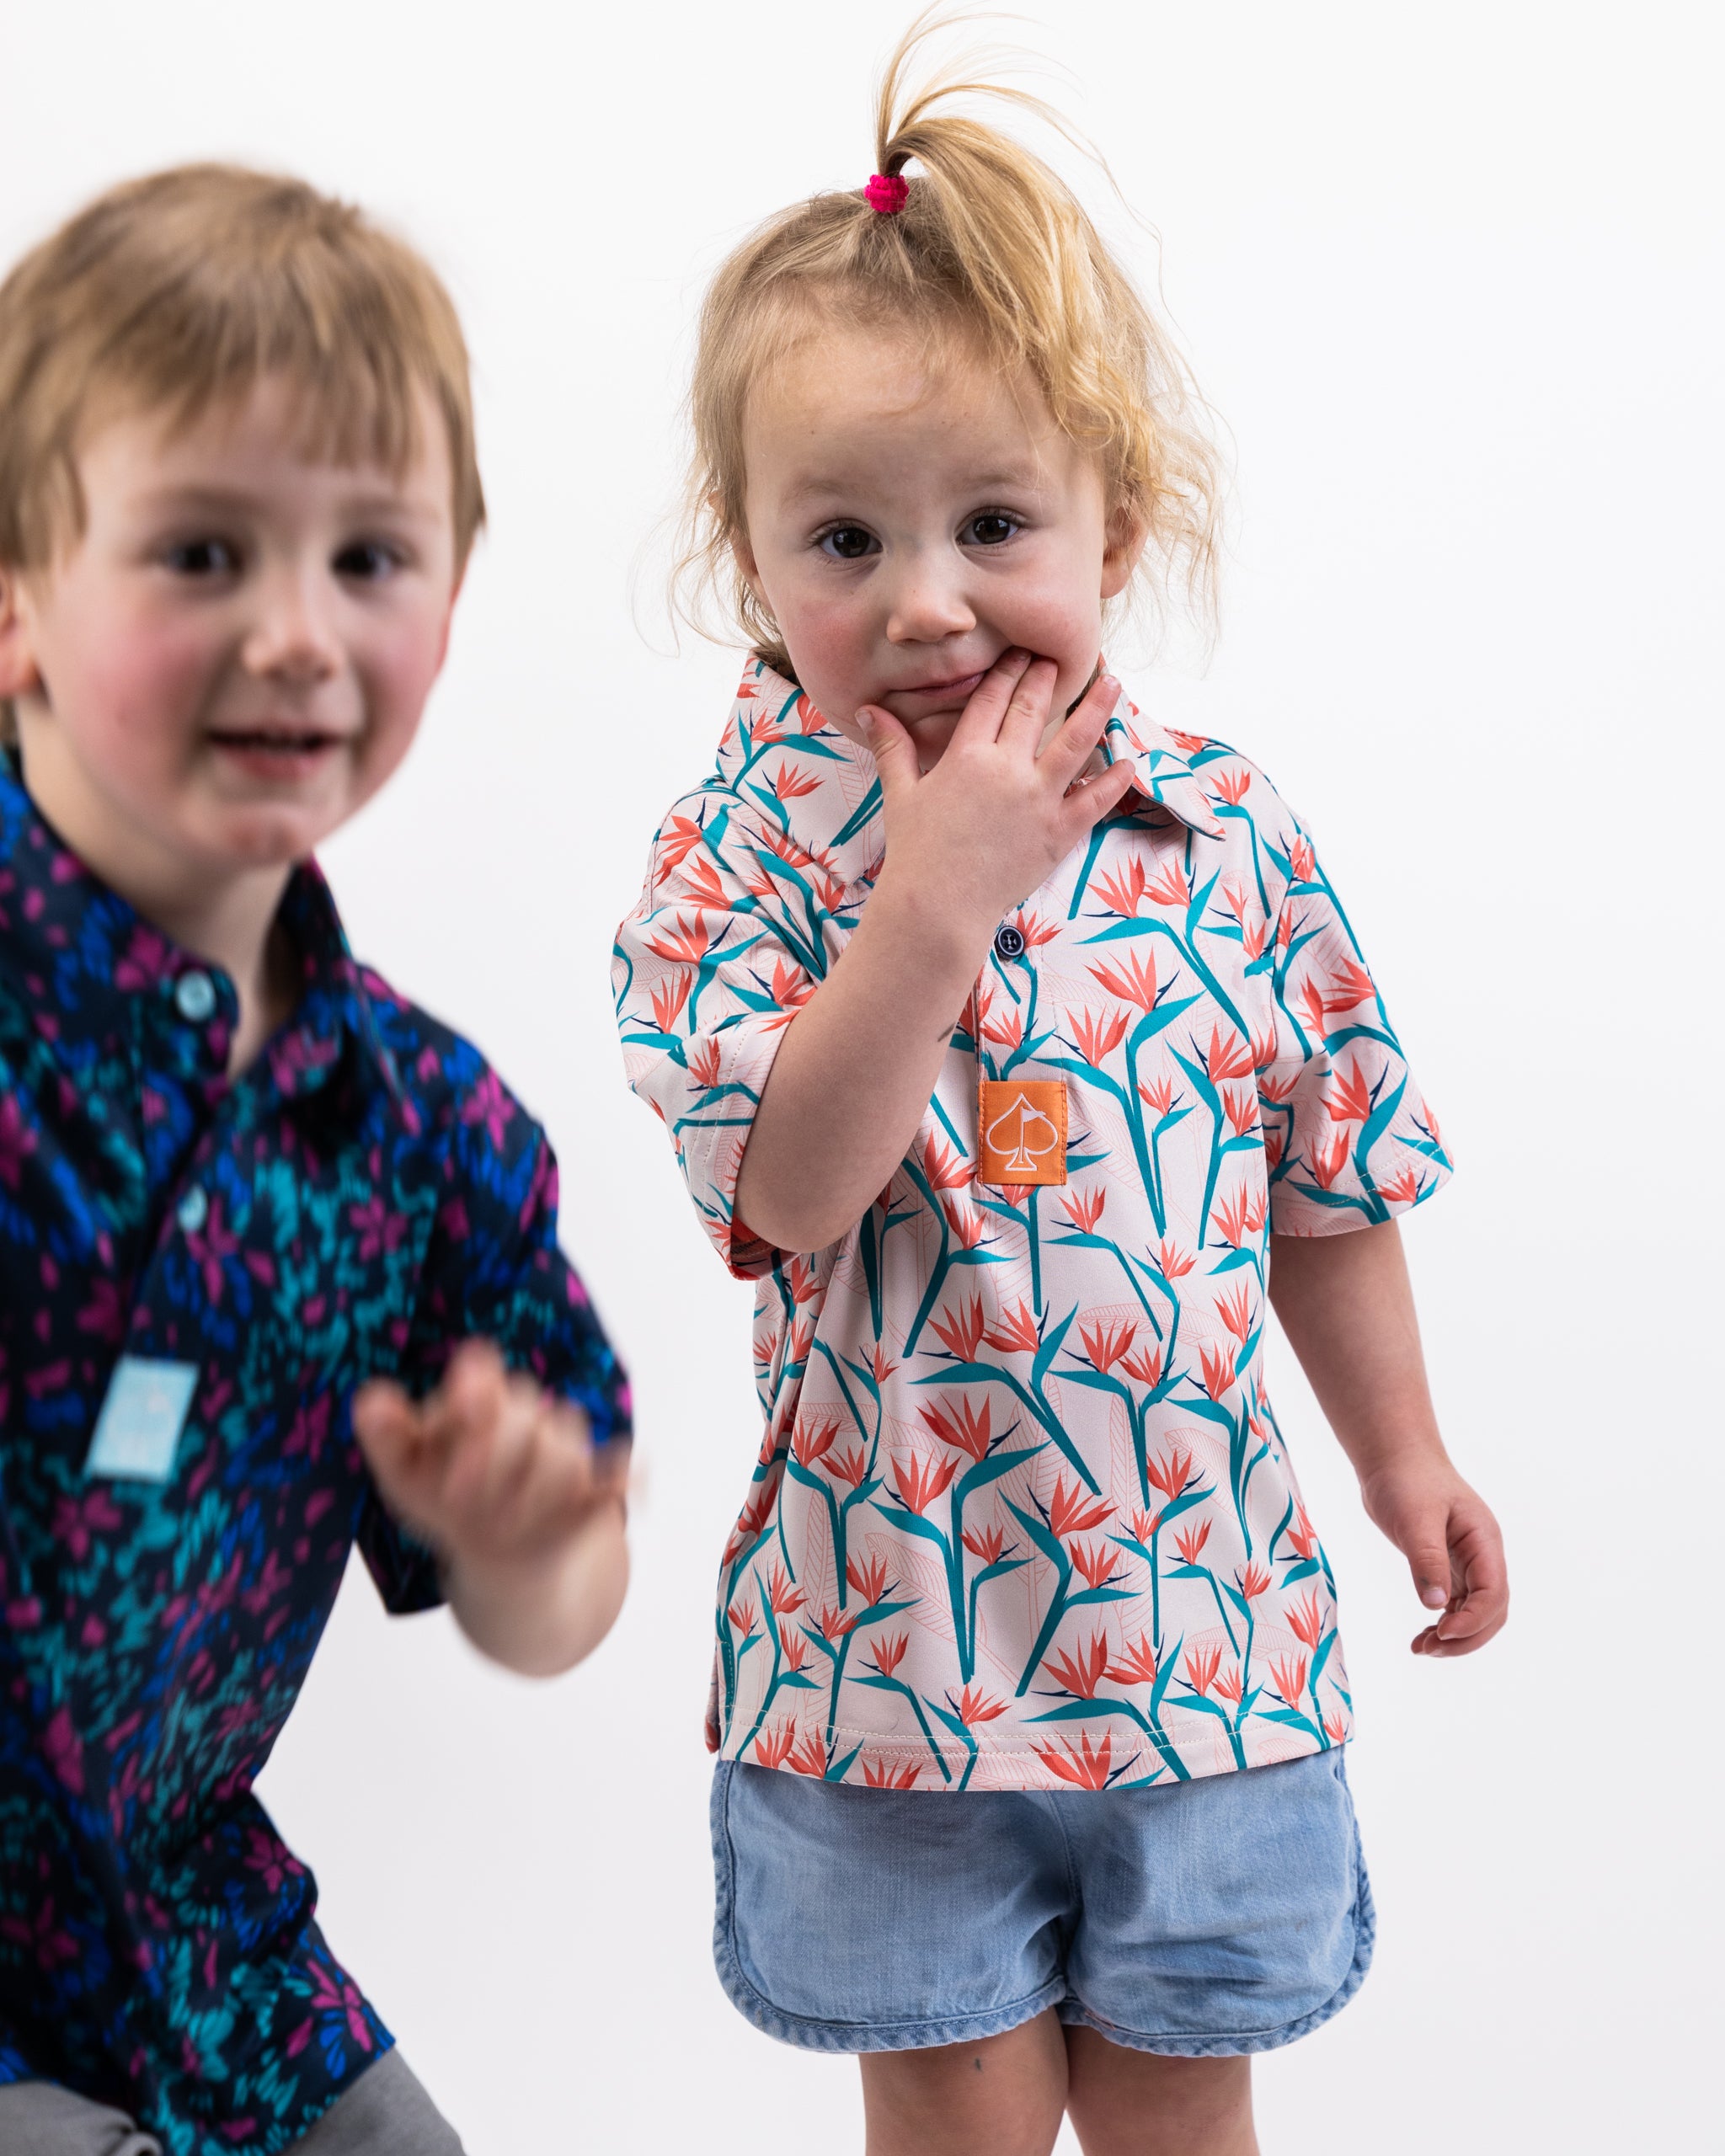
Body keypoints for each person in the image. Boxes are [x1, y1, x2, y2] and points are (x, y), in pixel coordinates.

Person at [614, 14, 1507, 2154]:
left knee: (1192, 2118)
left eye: (993, 521)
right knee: (960, 2129)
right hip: (889, 1658)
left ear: (1123, 514)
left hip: (1190, 1629)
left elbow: (1326, 1177)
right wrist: (925, 908)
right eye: (843, 540)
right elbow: (791, 1187)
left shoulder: (1226, 832)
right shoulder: (729, 858)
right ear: (751, 559)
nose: (925, 601)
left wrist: (1404, 1453)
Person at [0, 166, 630, 2155]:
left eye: (372, 556)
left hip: (198, 1954)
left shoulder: (424, 1130)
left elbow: (558, 1591)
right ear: (14, 596)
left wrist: (532, 1537)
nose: (297, 633)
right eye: (202, 551)